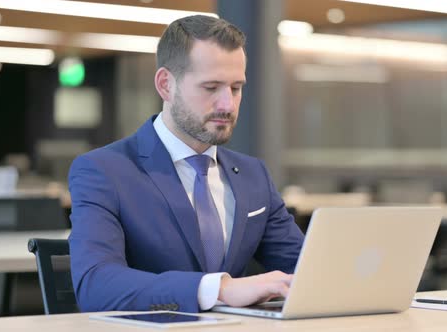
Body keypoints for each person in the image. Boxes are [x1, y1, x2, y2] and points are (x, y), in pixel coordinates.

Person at [68, 15, 304, 313]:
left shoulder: (253, 174)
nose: (227, 105)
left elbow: (307, 270)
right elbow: (96, 285)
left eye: (235, 88)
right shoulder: (104, 171)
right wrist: (220, 288)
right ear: (166, 85)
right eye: (211, 87)